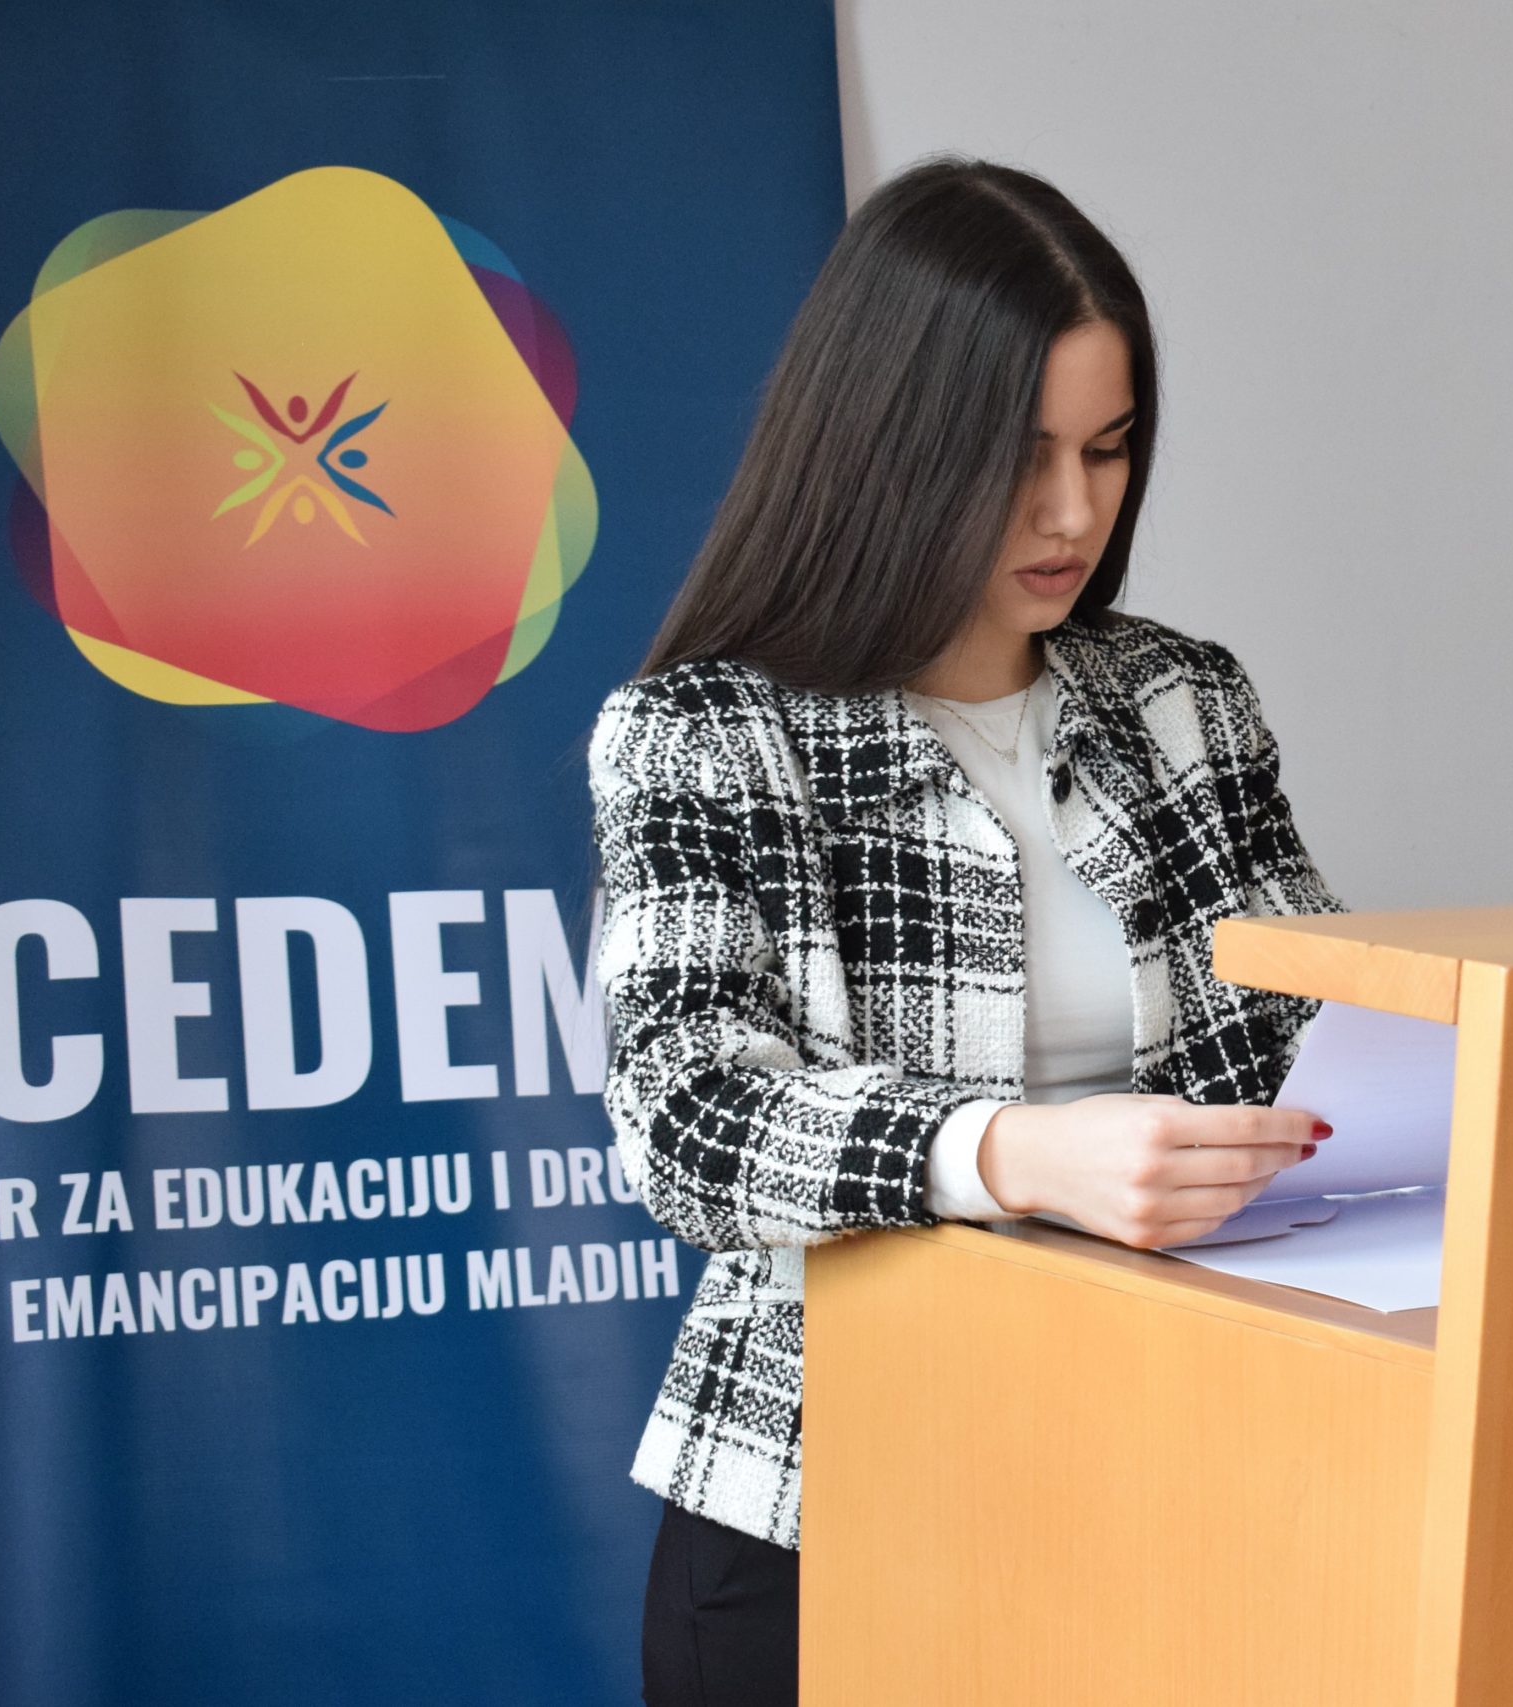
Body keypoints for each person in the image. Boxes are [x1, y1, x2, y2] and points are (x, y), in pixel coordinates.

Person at [586, 154, 1346, 1706]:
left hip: (1171, 1470)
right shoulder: (708, 732)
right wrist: (1009, 1153)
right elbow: (684, 1118)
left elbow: (1317, 1019)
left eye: (1109, 450)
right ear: (890, 444)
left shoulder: (1184, 701)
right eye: (1018, 458)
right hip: (831, 1505)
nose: (1074, 513)